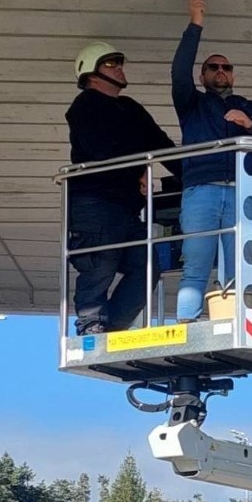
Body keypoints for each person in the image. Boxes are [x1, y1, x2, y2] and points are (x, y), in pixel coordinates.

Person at [171, 0, 252, 322]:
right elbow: (179, 73)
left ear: (233, 76)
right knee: (196, 263)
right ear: (203, 75)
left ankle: (235, 324)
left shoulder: (250, 106)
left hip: (241, 191)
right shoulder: (192, 103)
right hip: (201, 189)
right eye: (213, 67)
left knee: (240, 267)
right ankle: (187, 326)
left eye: (226, 67)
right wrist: (195, 24)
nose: (220, 71)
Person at [65, 41, 180, 335]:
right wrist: (142, 165)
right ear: (91, 73)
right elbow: (101, 149)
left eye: (119, 63)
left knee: (148, 264)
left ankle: (112, 328)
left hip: (126, 208)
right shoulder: (85, 106)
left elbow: (161, 146)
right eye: (111, 63)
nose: (119, 68)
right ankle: (92, 327)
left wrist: (194, 175)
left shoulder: (130, 108)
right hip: (94, 203)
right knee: (99, 264)